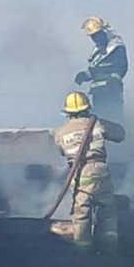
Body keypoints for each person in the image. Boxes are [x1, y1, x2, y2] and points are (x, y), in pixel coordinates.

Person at [53, 91, 125, 255]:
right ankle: (110, 250)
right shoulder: (97, 124)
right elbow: (120, 134)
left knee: (81, 214)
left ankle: (83, 253)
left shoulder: (60, 132)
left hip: (79, 174)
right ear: (87, 109)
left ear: (68, 113)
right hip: (100, 171)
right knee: (107, 211)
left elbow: (62, 151)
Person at [74, 16, 128, 124]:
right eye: (93, 37)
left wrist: (111, 79)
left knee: (113, 122)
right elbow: (95, 70)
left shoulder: (116, 48)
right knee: (99, 124)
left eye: (97, 35)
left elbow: (121, 68)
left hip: (111, 93)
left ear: (103, 32)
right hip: (98, 95)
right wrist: (85, 75)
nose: (95, 39)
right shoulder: (97, 52)